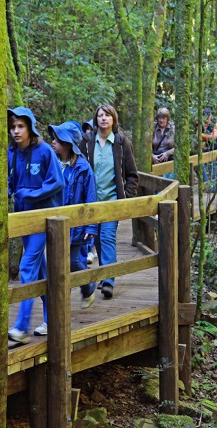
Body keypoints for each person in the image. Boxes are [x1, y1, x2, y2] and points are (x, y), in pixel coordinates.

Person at [6, 107, 64, 344]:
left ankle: (21, 327)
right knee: (41, 270)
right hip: (22, 219)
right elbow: (10, 182)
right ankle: (52, 319)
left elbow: (57, 182)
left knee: (27, 266)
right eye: (13, 127)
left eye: (20, 126)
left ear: (30, 127)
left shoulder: (44, 151)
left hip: (43, 219)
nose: (16, 131)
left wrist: (32, 194)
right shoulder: (12, 153)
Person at [79, 104, 138, 300]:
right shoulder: (87, 142)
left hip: (112, 199)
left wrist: (126, 197)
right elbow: (79, 168)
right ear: (95, 119)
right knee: (96, 239)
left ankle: (108, 281)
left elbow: (132, 174)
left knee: (107, 237)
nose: (103, 118)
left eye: (107, 116)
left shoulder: (121, 143)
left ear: (114, 120)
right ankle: (105, 274)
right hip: (92, 200)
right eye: (100, 115)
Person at [49, 121, 97, 309]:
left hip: (76, 224)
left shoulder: (83, 168)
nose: (53, 142)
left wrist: (91, 226)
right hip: (56, 222)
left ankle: (88, 288)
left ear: (68, 144)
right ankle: (62, 301)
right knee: (58, 262)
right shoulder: (53, 163)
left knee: (74, 260)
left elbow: (90, 198)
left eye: (57, 139)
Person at [81, 119, 98, 265]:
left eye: (90, 129)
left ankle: (92, 249)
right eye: (85, 129)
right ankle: (88, 250)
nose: (88, 132)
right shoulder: (81, 147)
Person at [201, 108, 217, 185]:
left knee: (212, 167)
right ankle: (205, 183)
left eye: (207, 116)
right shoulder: (202, 124)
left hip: (213, 148)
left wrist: (203, 135)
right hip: (204, 148)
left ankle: (213, 186)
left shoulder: (215, 123)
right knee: (200, 164)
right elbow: (197, 135)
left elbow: (214, 136)